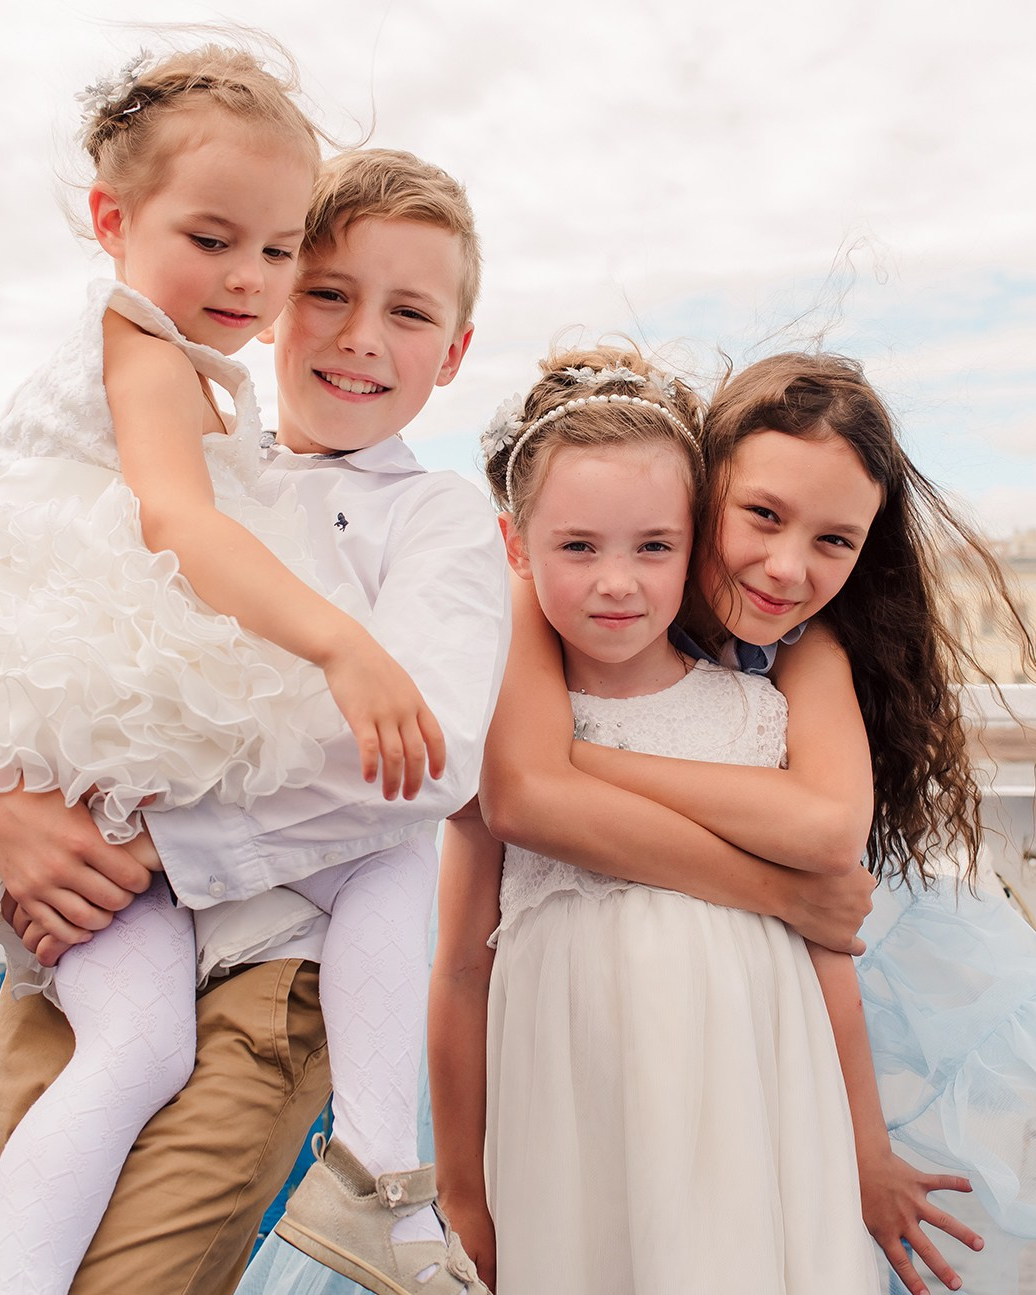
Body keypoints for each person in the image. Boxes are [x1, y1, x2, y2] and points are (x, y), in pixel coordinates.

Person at [0, 46, 509, 1290]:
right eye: (326, 287)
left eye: (407, 312)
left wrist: (154, 848)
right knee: (31, 1214)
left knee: (135, 1272)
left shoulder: (433, 520)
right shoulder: (183, 448)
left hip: (256, 954)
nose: (356, 336)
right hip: (72, 919)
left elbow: (428, 757)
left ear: (452, 348)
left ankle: (379, 1177)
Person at [443, 350, 1036, 1295]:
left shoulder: (804, 658)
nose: (787, 566)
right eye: (760, 515)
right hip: (575, 1069)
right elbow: (520, 800)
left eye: (836, 540)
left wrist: (584, 759)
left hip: (753, 1063)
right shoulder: (549, 594)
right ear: (704, 494)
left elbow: (825, 839)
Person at [427, 346, 888, 1295]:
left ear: (687, 532)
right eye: (581, 548)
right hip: (572, 1090)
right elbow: (463, 961)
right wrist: (461, 1188)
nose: (617, 580)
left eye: (653, 546)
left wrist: (867, 1151)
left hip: (748, 1088)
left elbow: (824, 940)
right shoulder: (520, 662)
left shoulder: (762, 701)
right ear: (520, 544)